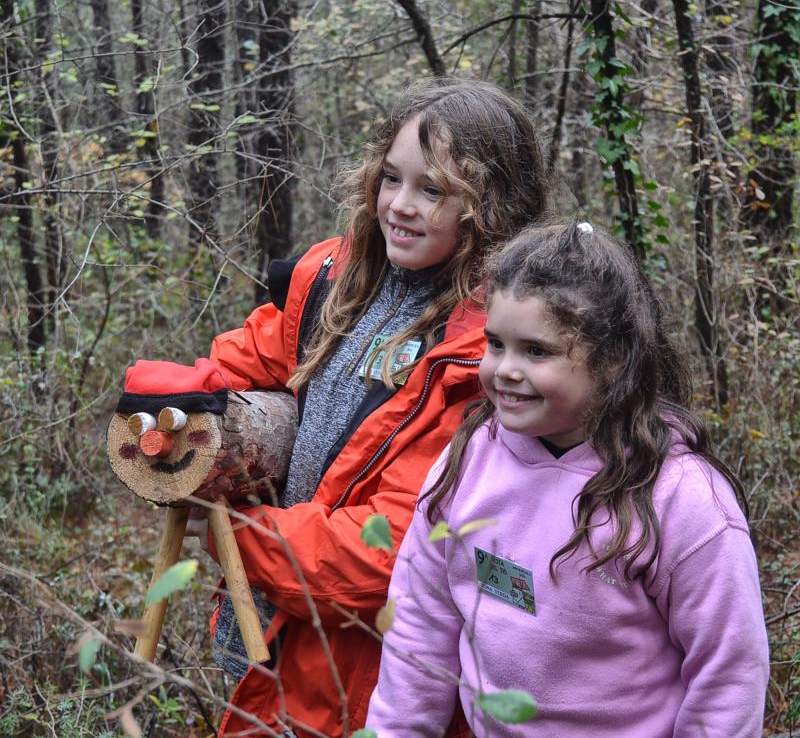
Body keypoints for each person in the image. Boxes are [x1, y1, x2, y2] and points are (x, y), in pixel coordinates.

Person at [186, 78, 550, 737]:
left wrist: (236, 532)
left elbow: (389, 550)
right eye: (391, 179)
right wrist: (165, 408)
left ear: (490, 205)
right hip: (268, 624)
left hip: (371, 670)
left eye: (432, 190)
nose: (400, 206)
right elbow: (253, 354)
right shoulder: (343, 275)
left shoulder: (490, 352)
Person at [366, 221, 770, 738]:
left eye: (536, 351)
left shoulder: (680, 498)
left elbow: (728, 675)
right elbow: (420, 627)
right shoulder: (468, 461)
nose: (506, 369)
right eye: (496, 344)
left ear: (612, 360)